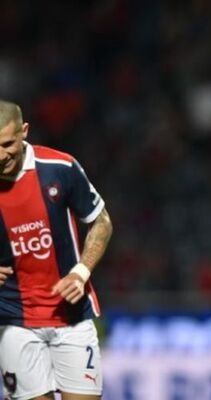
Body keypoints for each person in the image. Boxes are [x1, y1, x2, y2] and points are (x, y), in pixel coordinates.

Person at [0, 100, 112, 400]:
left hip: (71, 317)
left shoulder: (59, 168)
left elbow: (100, 221)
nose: (0, 155)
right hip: (13, 321)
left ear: (24, 131)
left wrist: (81, 271)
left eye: (7, 144)